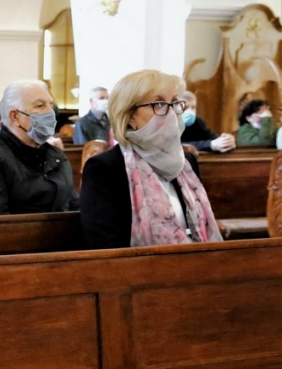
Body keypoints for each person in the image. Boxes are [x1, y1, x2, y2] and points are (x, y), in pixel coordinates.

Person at [80, 70, 221, 249]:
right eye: (159, 103)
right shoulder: (104, 168)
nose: (172, 112)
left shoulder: (186, 162)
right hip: (138, 265)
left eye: (175, 103)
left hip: (198, 260)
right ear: (129, 116)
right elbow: (103, 243)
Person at [0, 80, 78, 216]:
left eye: (51, 105)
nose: (50, 112)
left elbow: (73, 205)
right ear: (15, 116)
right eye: (40, 105)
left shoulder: (55, 156)